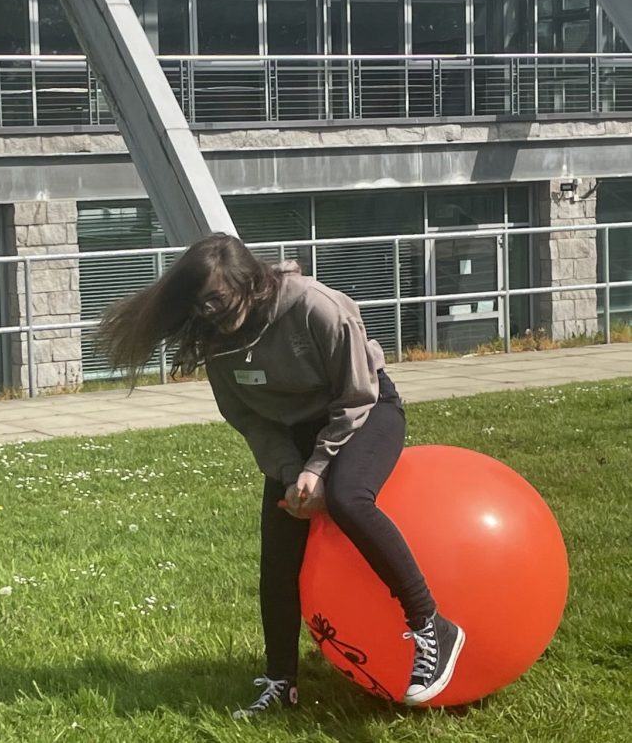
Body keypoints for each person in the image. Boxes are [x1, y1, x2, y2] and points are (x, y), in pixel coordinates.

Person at [96, 233, 464, 718]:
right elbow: (252, 420)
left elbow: (356, 395)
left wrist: (318, 467)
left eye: (218, 300)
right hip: (293, 438)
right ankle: (281, 682)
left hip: (365, 411)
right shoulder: (217, 342)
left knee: (350, 498)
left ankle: (431, 624)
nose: (211, 314)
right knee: (278, 556)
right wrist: (293, 474)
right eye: (199, 306)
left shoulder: (316, 306)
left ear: (248, 280)